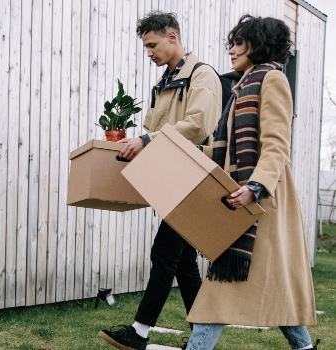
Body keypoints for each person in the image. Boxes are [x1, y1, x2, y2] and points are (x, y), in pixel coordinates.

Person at [183, 14, 318, 350]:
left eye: (238, 43)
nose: (231, 50)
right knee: (276, 295)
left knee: (218, 294)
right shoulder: (243, 85)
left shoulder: (271, 80)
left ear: (257, 44)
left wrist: (255, 188)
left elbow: (276, 145)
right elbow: (225, 146)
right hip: (240, 198)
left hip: (260, 203)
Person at [99, 11, 222, 350]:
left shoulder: (202, 75)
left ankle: (139, 332)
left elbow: (198, 125)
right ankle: (202, 337)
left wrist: (148, 140)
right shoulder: (163, 84)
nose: (149, 52)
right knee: (183, 263)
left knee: (165, 252)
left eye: (152, 45)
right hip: (172, 178)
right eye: (145, 47)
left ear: (172, 37)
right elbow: (152, 129)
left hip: (196, 178)